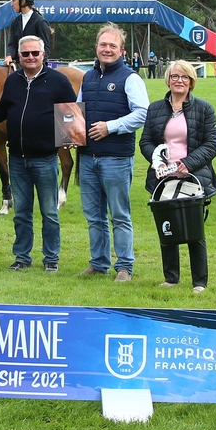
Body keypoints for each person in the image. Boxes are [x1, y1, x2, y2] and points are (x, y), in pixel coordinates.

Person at [0, 35, 76, 272]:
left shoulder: (58, 81)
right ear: (19, 56)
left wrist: (71, 137)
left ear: (43, 55)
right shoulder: (13, 81)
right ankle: (22, 257)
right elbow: (3, 111)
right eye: (25, 54)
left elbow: (71, 112)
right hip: (17, 159)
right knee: (22, 213)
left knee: (49, 213)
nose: (30, 57)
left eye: (35, 53)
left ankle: (51, 258)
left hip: (45, 159)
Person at [74, 23, 149, 282]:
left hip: (116, 158)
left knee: (119, 215)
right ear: (96, 47)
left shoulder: (130, 78)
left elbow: (143, 113)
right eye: (103, 45)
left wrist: (111, 127)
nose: (107, 49)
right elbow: (78, 112)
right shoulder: (87, 78)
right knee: (94, 216)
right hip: (88, 157)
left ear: (122, 51)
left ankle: (125, 266)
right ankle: (98, 263)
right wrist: (71, 134)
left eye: (112, 46)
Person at [139, 61, 216, 293]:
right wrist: (157, 161)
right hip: (163, 179)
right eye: (175, 76)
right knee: (167, 227)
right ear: (168, 79)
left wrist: (188, 163)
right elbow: (145, 141)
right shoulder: (155, 109)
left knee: (194, 231)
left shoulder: (204, 109)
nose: (179, 81)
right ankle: (171, 278)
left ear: (191, 82)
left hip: (192, 178)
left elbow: (212, 143)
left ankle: (199, 282)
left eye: (185, 77)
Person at [3, 0, 51, 69]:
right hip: (19, 64)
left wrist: (36, 65)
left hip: (35, 66)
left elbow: (45, 48)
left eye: (13, 1)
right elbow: (12, 44)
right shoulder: (15, 22)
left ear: (23, 1)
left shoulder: (40, 22)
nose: (12, 4)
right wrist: (9, 55)